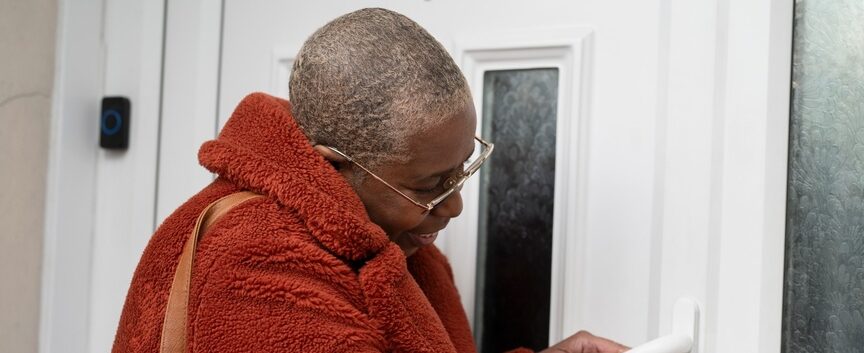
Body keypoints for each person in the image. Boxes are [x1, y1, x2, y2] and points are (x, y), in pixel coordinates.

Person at [112, 8, 628, 353]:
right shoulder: (251, 260)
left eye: (462, 170)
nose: (454, 208)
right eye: (429, 185)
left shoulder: (380, 235)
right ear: (334, 165)